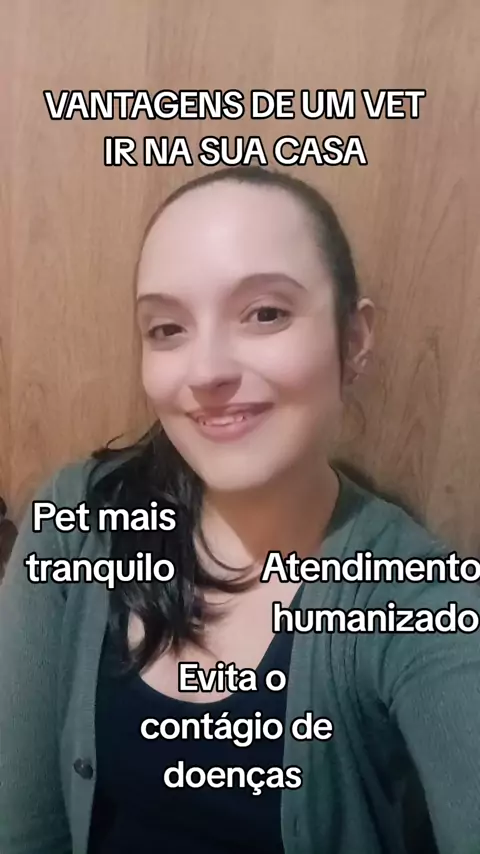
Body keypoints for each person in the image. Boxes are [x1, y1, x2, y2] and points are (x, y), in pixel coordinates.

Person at [1, 165, 479, 854]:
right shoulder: (80, 520)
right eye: (167, 328)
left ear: (354, 339)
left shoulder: (414, 595)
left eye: (265, 313)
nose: (206, 372)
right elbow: (23, 827)